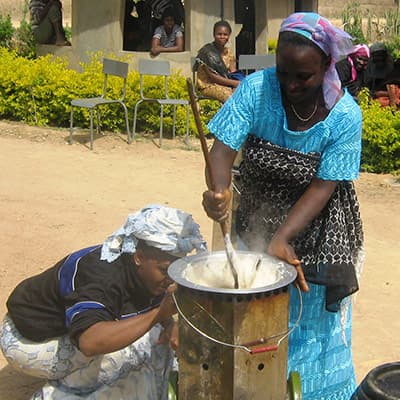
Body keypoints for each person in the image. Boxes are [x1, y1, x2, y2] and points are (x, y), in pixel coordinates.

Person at [202, 12, 364, 400]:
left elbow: (324, 185)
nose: (290, 84)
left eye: (303, 76)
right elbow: (221, 152)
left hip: (319, 225)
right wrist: (219, 191)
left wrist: (282, 238)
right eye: (283, 72)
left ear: (326, 65)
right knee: (253, 317)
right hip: (254, 213)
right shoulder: (257, 90)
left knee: (308, 328)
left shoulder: (344, 116)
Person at [0, 204, 206, 399]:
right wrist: (160, 314)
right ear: (139, 256)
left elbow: (150, 309)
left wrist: (169, 324)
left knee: (158, 344)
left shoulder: (148, 273)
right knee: (136, 348)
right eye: (164, 270)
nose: (170, 278)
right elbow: (90, 342)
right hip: (27, 340)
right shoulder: (101, 275)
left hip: (73, 329)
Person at [195, 20, 242, 103]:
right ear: (214, 35)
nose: (222, 37)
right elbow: (213, 77)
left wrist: (236, 85)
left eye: (225, 34)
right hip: (208, 85)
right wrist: (234, 83)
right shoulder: (206, 52)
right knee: (230, 98)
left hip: (226, 84)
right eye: (219, 34)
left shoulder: (229, 53)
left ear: (229, 36)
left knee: (243, 94)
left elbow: (233, 72)